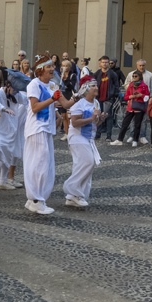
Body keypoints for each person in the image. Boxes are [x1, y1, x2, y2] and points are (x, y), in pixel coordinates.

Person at [24, 56, 72, 214]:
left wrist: (78, 96)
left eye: (53, 66)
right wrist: (52, 99)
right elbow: (35, 107)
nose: (53, 69)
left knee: (46, 164)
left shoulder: (52, 85)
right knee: (39, 164)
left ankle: (34, 200)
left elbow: (65, 104)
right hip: (37, 128)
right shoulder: (34, 84)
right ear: (40, 70)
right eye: (49, 67)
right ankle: (36, 200)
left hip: (47, 128)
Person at [63, 79, 105, 208]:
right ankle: (72, 189)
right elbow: (74, 123)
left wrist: (100, 120)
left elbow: (94, 123)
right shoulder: (79, 104)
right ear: (86, 89)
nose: (96, 88)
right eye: (93, 86)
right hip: (77, 137)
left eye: (96, 85)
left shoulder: (96, 103)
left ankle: (73, 197)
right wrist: (92, 118)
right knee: (88, 162)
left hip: (89, 138)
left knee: (82, 165)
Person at [0, 70, 28, 189]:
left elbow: (28, 101)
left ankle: (3, 181)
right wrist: (3, 109)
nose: (16, 92)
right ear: (8, 85)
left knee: (8, 152)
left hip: (9, 128)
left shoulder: (17, 95)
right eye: (14, 89)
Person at [112, 70, 148, 146]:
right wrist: (130, 97)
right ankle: (120, 139)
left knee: (137, 125)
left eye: (136, 76)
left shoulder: (144, 86)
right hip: (131, 107)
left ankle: (135, 140)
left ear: (140, 77)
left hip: (139, 107)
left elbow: (147, 97)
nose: (134, 78)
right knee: (125, 123)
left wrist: (141, 95)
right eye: (133, 76)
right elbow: (125, 97)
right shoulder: (131, 85)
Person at [91, 56, 123, 140]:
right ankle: (98, 134)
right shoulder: (97, 73)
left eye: (106, 62)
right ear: (100, 63)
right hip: (98, 99)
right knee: (98, 116)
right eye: (103, 62)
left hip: (109, 99)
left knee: (109, 117)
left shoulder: (113, 74)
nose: (105, 64)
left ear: (109, 63)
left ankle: (109, 136)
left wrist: (114, 96)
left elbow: (117, 86)